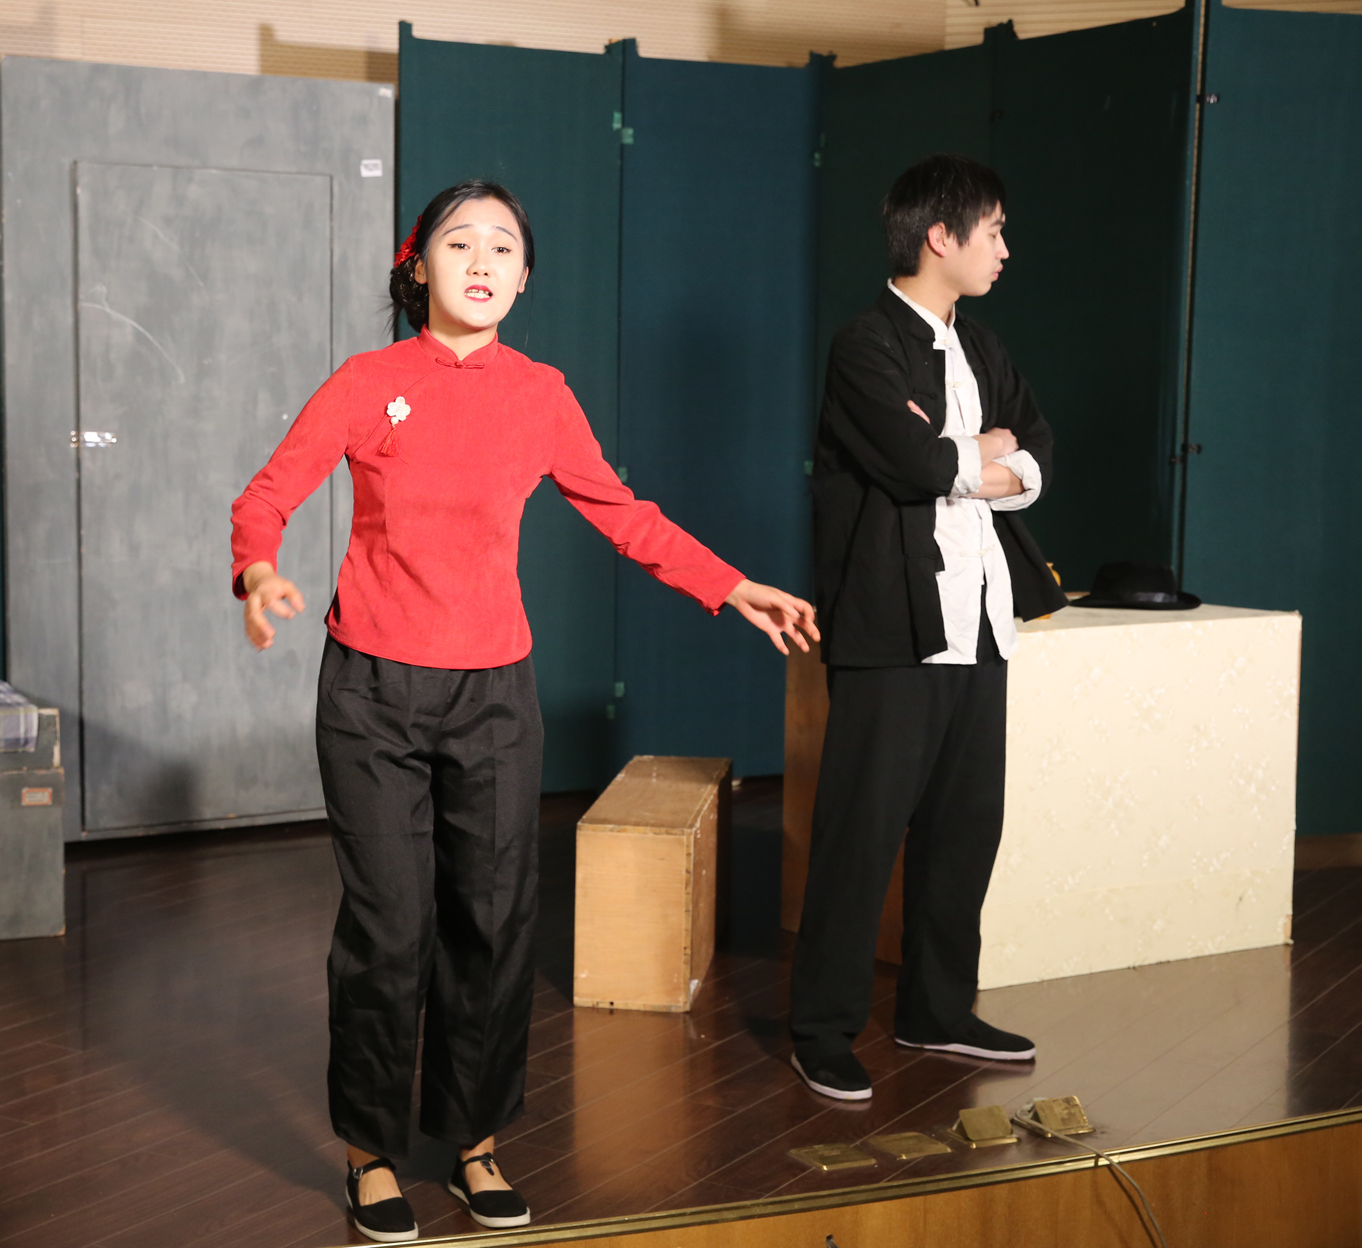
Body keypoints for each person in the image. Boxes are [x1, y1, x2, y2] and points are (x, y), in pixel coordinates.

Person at [230, 179, 819, 1241]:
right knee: (389, 929)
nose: (481, 260)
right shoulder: (367, 382)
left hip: (494, 695)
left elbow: (622, 513)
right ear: (417, 266)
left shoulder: (541, 394)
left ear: (524, 276)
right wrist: (259, 571)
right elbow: (266, 495)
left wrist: (730, 585)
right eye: (459, 242)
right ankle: (370, 1152)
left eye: (502, 246)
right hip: (370, 690)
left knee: (494, 921)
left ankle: (473, 1140)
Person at [788, 153, 1066, 1102]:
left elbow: (1037, 450)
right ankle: (821, 1028)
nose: (1004, 249)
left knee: (963, 827)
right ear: (939, 237)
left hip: (980, 620)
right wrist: (973, 454)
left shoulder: (982, 345)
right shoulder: (863, 344)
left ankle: (937, 1010)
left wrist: (977, 458)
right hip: (890, 626)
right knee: (860, 833)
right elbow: (911, 464)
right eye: (993, 230)